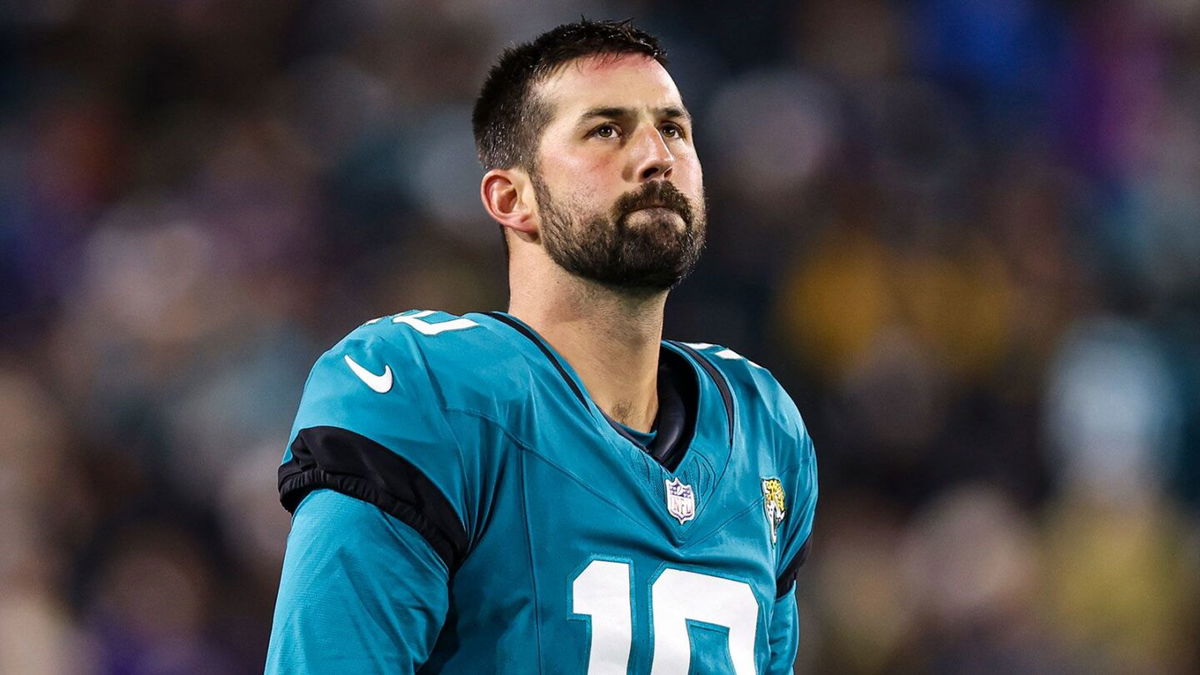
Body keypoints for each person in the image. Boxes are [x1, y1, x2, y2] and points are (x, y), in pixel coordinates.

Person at [266, 19, 817, 674]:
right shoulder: (428, 388)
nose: (656, 156)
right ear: (512, 196)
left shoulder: (762, 426)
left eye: (673, 129)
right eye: (606, 130)